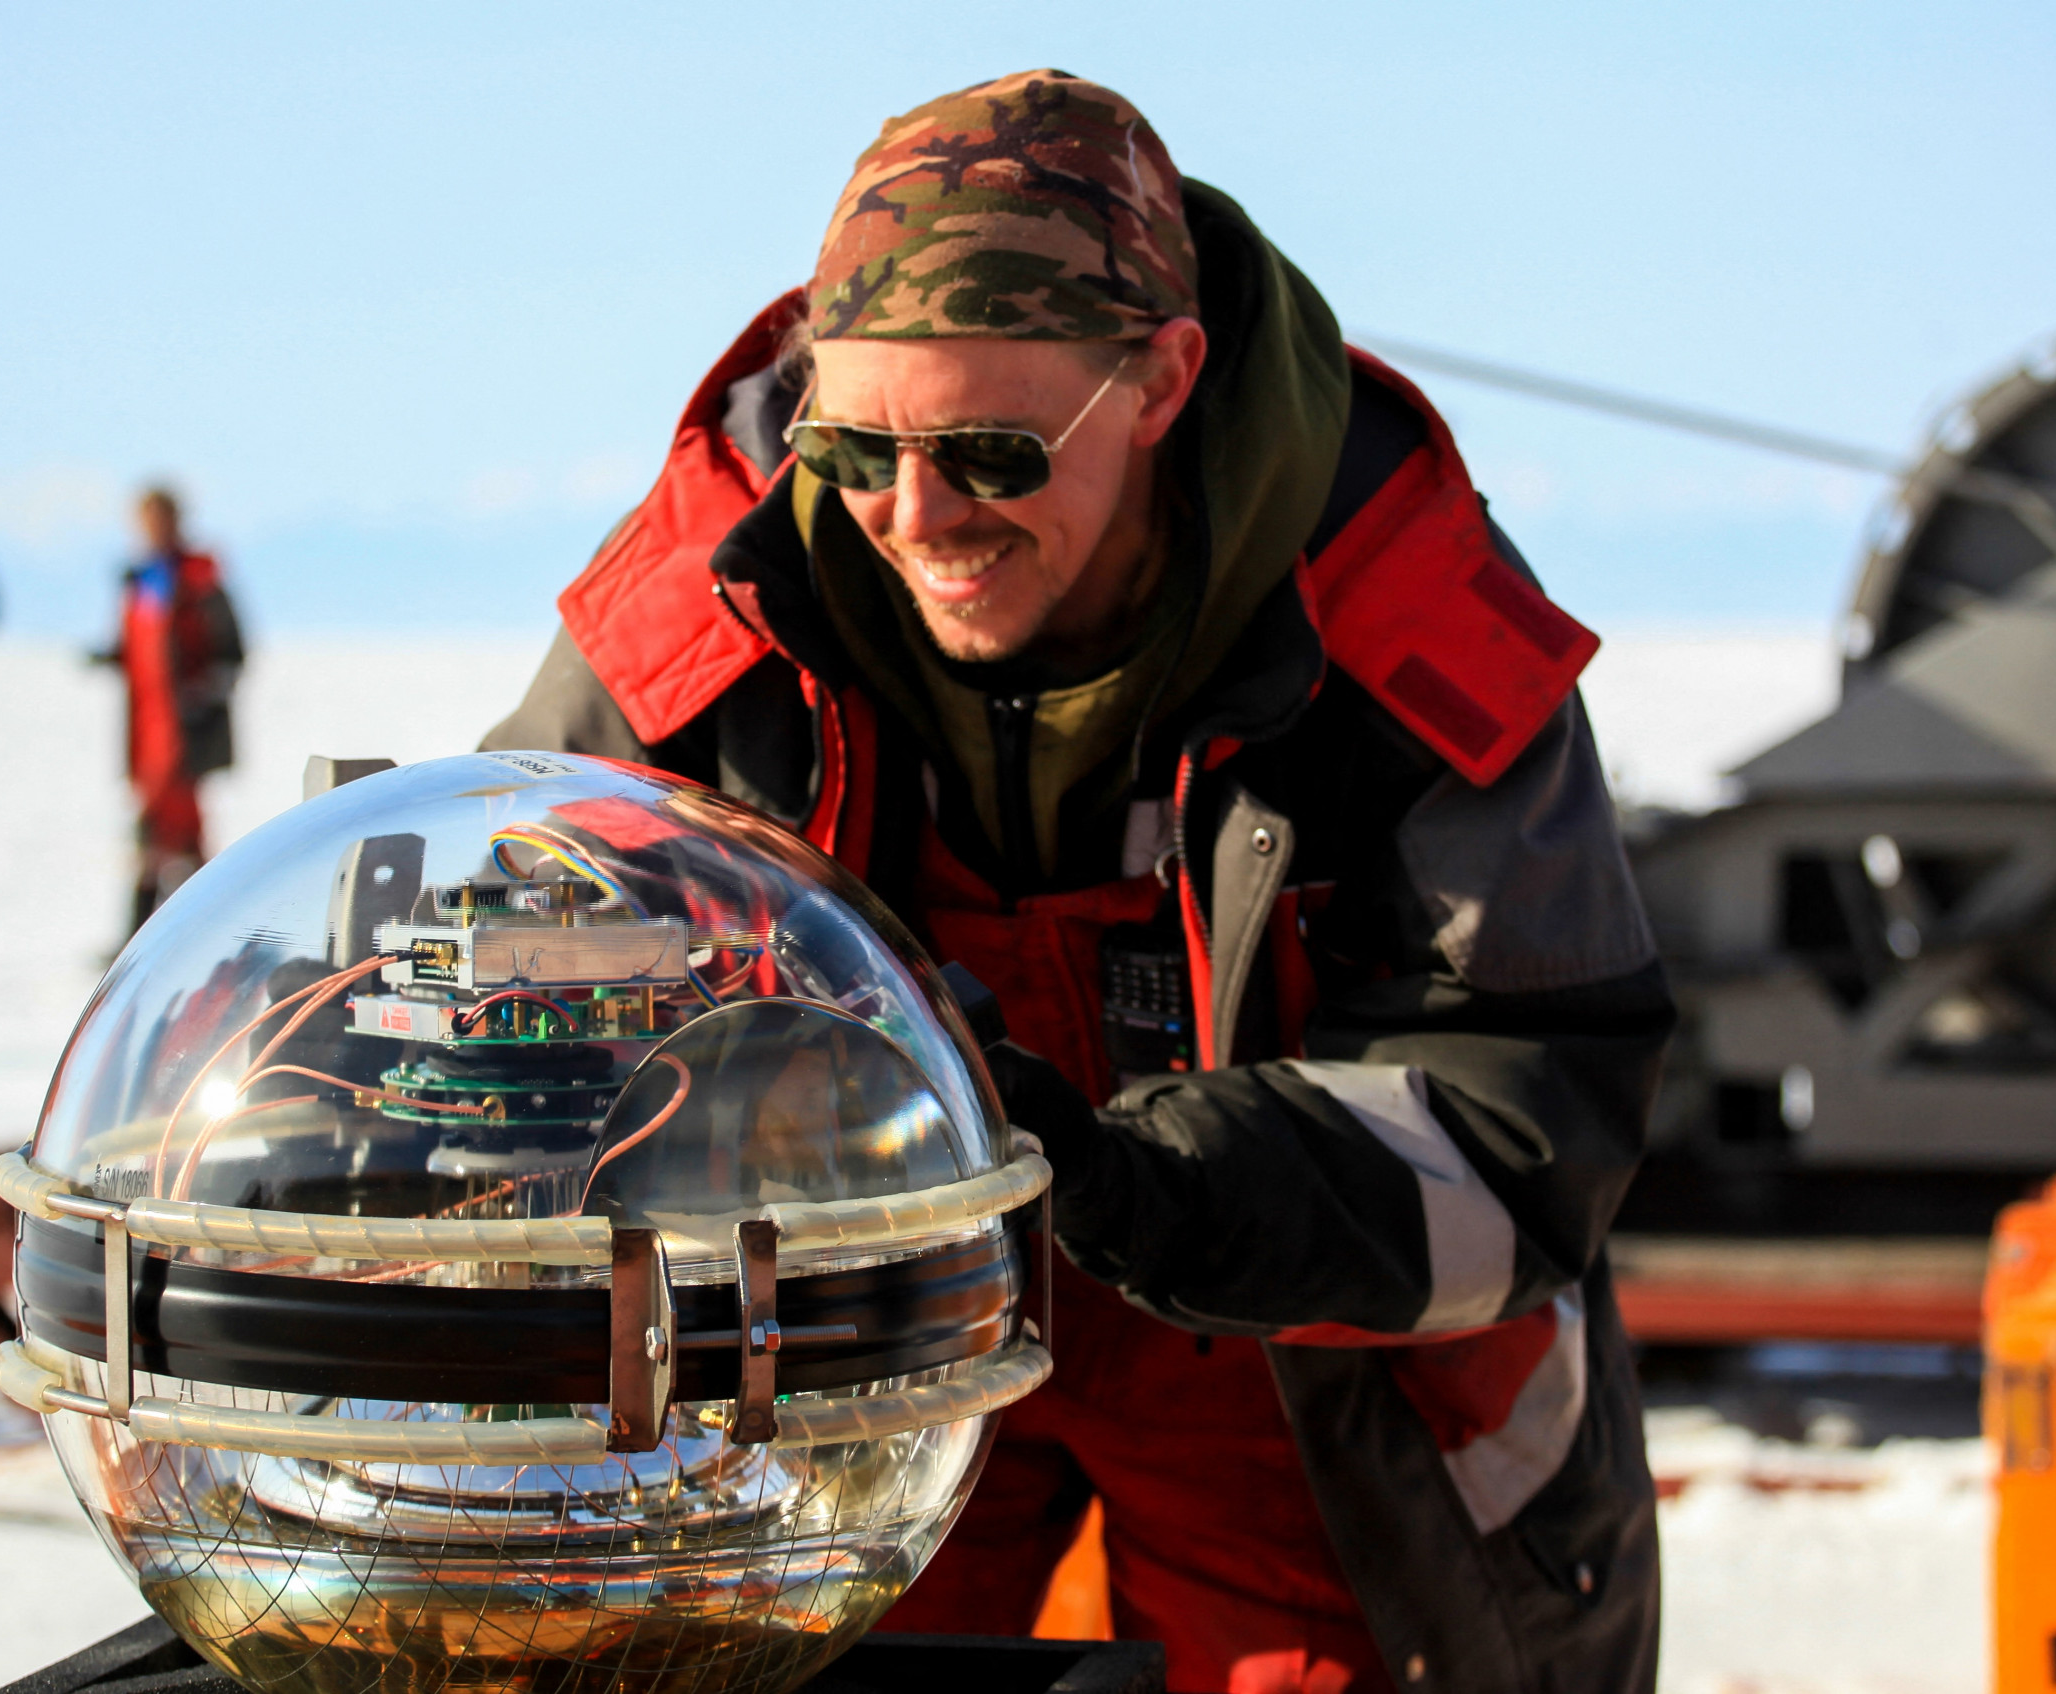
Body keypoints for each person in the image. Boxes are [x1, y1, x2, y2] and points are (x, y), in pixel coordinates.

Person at [484, 72, 1674, 1693]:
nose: (917, 518)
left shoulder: (1397, 604)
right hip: (853, 1341)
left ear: (1162, 378)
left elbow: (1532, 1117)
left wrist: (1135, 1184)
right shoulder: (722, 582)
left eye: (992, 451)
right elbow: (497, 947)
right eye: (858, 445)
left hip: (1299, 1365)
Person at [97, 487, 244, 934]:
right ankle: (183, 930)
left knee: (170, 830)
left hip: (182, 730)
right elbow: (139, 649)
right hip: (149, 727)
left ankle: (167, 932)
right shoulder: (141, 580)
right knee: (165, 831)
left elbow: (231, 650)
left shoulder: (199, 578)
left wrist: (205, 695)